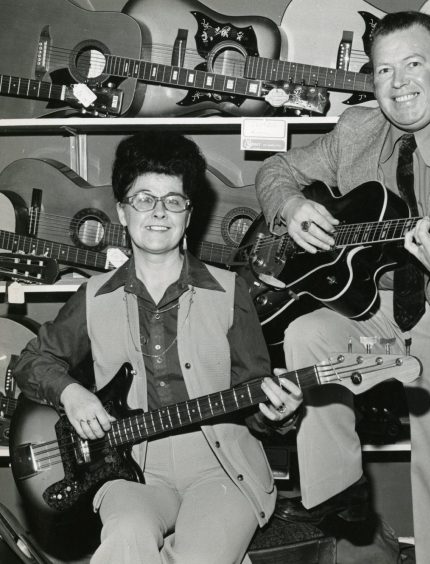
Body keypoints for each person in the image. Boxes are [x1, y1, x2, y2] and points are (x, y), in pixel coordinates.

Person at [253, 11, 430, 564]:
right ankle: (337, 495)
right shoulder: (358, 129)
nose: (398, 83)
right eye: (384, 71)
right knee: (309, 331)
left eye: (413, 64)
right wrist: (290, 207)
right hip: (376, 319)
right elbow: (276, 170)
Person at [13, 131, 303, 564]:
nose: (158, 213)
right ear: (122, 211)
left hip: (222, 469)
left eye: (173, 200)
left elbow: (255, 396)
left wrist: (279, 414)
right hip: (130, 470)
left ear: (189, 212)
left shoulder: (230, 291)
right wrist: (71, 393)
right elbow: (32, 361)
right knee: (124, 540)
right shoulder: (93, 296)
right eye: (144, 199)